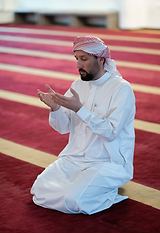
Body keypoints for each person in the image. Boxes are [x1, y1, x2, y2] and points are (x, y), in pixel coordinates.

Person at [30, 36, 135, 215]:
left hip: (107, 162)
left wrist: (79, 109)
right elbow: (64, 128)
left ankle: (108, 191)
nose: (78, 65)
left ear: (100, 59)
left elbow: (110, 133)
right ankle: (90, 187)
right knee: (38, 190)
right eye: (77, 59)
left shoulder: (121, 89)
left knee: (73, 200)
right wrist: (55, 108)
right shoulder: (77, 85)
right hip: (74, 158)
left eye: (84, 59)